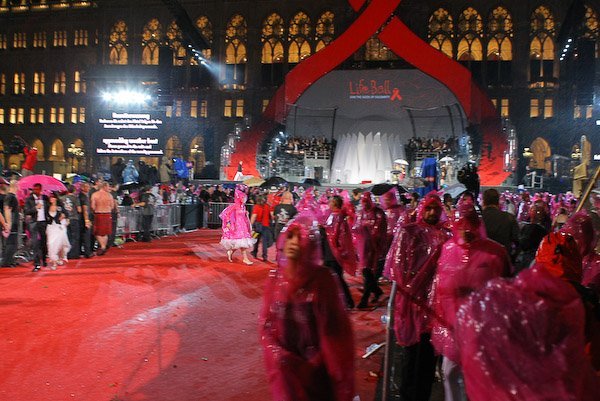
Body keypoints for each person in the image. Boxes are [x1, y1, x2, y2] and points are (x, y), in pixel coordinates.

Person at [259, 214, 355, 401]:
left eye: (300, 238)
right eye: (290, 236)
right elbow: (267, 324)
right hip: (287, 371)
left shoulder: (324, 279)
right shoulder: (275, 279)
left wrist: (320, 364)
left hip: (317, 372)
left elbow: (335, 331)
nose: (294, 242)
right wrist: (279, 356)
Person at [431, 202, 511, 401]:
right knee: (450, 371)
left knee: (480, 375)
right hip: (452, 323)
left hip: (483, 326)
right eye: (461, 225)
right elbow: (439, 285)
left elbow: (506, 289)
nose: (466, 230)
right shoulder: (447, 249)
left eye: (470, 225)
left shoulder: (495, 252)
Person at [383, 193, 450, 401]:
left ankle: (421, 395)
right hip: (412, 304)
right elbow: (397, 269)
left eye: (435, 209)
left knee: (428, 357)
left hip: (435, 307)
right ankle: (407, 395)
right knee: (411, 355)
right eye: (428, 208)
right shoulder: (409, 232)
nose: (432, 213)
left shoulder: (446, 235)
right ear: (422, 209)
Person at [322, 195, 357, 309]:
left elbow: (339, 236)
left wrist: (339, 250)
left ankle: (348, 301)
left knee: (337, 278)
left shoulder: (338, 217)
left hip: (332, 253)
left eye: (330, 201)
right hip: (330, 252)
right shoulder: (334, 216)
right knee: (331, 278)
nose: (328, 203)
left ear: (335, 203)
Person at [219, 186, 255, 265]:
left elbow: (243, 216)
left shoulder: (243, 206)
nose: (244, 199)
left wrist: (246, 214)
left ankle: (231, 251)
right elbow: (226, 214)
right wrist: (228, 223)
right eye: (243, 197)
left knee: (240, 242)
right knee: (242, 242)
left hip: (243, 226)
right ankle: (245, 258)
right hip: (236, 227)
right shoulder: (235, 206)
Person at [481, 188, 519, 260]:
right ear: (498, 201)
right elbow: (518, 241)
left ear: (483, 201)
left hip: (481, 262)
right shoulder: (509, 217)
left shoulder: (477, 219)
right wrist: (511, 259)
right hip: (503, 260)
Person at [24, 183, 50, 271]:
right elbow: (27, 211)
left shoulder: (45, 198)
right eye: (34, 189)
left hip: (43, 222)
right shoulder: (29, 199)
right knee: (35, 243)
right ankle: (37, 264)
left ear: (41, 190)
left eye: (37, 189)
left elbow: (49, 209)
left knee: (43, 242)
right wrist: (36, 208)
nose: (35, 191)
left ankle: (44, 259)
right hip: (34, 223)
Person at [90, 182, 116, 255]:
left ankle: (102, 246)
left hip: (99, 214)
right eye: (108, 186)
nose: (109, 188)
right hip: (107, 214)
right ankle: (103, 246)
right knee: (105, 232)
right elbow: (112, 206)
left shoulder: (95, 195)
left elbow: (92, 206)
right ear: (104, 187)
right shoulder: (109, 195)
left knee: (98, 232)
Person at [45, 193, 70, 270]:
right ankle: (54, 261)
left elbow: (67, 214)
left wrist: (64, 217)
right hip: (50, 228)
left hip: (59, 228)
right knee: (50, 244)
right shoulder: (47, 207)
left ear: (56, 198)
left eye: (53, 197)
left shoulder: (60, 207)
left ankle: (59, 258)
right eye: (50, 198)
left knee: (59, 244)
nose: (51, 199)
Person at [60, 184, 81, 260]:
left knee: (67, 237)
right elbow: (79, 210)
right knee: (75, 236)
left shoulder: (61, 198)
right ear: (74, 190)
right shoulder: (75, 198)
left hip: (65, 219)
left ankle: (66, 253)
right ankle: (74, 254)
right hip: (74, 218)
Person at [1, 180, 19, 267]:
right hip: (11, 224)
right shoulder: (10, 197)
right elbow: (7, 209)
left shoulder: (11, 197)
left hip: (14, 223)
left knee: (13, 243)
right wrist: (9, 223)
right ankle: (6, 262)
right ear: (15, 186)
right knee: (10, 243)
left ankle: (10, 261)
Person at [250, 195, 273, 262]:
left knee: (256, 239)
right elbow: (272, 215)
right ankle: (264, 256)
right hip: (266, 225)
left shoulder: (256, 207)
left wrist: (250, 225)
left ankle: (255, 252)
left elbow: (254, 216)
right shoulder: (267, 206)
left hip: (257, 226)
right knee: (264, 242)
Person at [79, 182, 93, 258]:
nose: (88, 188)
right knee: (86, 236)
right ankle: (87, 252)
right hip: (83, 219)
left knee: (83, 236)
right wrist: (87, 220)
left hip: (82, 218)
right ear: (82, 188)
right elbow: (85, 210)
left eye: (88, 187)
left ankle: (82, 251)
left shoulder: (84, 196)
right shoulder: (83, 197)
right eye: (86, 187)